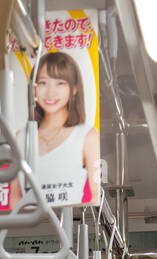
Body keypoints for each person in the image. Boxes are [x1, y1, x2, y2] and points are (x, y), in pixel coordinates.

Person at [31, 51, 100, 205]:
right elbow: (14, 198)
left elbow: (95, 195)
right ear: (33, 88)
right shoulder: (21, 137)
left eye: (60, 83)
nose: (50, 92)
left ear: (74, 89)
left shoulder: (87, 136)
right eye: (43, 83)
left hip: (70, 223)